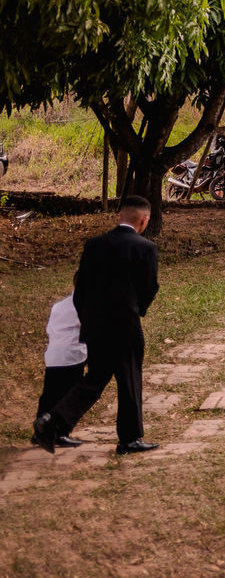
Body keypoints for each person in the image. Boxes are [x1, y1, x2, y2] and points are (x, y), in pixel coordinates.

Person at [33, 195, 160, 455]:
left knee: (97, 377)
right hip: (125, 324)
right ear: (144, 220)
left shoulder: (94, 245)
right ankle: (129, 438)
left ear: (119, 216)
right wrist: (138, 311)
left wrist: (88, 318)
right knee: (130, 381)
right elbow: (149, 287)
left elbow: (81, 290)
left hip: (95, 326)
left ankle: (53, 420)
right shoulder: (145, 247)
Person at [30, 295, 87, 449]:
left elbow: (51, 328)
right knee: (67, 394)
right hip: (72, 354)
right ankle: (60, 433)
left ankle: (39, 433)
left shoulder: (59, 305)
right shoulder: (85, 303)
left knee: (49, 393)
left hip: (54, 354)